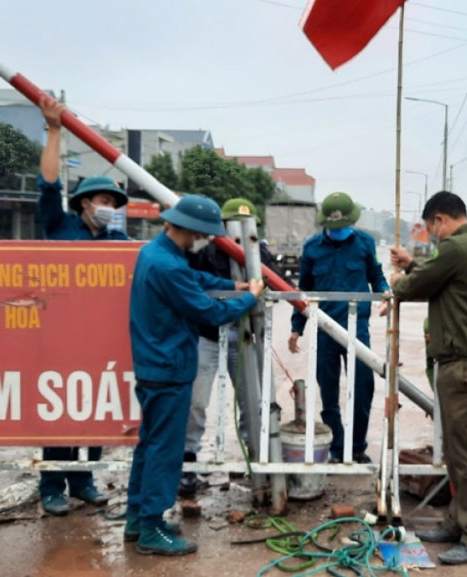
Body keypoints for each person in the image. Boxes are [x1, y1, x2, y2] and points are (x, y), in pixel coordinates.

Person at [127, 194, 263, 556]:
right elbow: (208, 312)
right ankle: (152, 529)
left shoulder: (154, 253)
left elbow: (191, 275)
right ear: (188, 228)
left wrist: (231, 285)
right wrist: (249, 298)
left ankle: (136, 519)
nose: (201, 240)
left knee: (149, 444)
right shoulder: (167, 266)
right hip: (168, 366)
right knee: (165, 450)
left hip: (152, 363)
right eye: (200, 234)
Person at [389, 191, 467, 566]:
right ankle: (457, 522)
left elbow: (412, 288)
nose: (433, 237)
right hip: (463, 364)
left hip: (466, 366)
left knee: (466, 455)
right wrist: (412, 265)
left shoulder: (456, 247)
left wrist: (399, 277)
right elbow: (438, 278)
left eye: (432, 228)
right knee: (455, 452)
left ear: (439, 220)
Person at [36, 96, 128, 516]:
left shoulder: (118, 244)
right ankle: (52, 484)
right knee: (58, 412)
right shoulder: (59, 227)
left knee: (94, 413)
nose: (108, 208)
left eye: (113, 202)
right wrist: (54, 130)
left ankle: (84, 479)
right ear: (85, 205)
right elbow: (50, 185)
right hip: (58, 338)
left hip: (100, 341)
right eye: (102, 201)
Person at [179, 198, 291, 497]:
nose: (239, 230)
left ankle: (253, 459)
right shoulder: (205, 252)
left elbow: (275, 282)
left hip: (245, 336)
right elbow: (193, 284)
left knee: (252, 400)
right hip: (208, 334)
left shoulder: (260, 252)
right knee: (196, 400)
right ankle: (187, 463)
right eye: (233, 225)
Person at [288, 192, 388, 464]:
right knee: (328, 392)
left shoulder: (365, 244)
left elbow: (376, 277)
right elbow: (303, 292)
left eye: (343, 226)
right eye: (334, 228)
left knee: (363, 389)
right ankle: (337, 447)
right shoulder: (311, 249)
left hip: (358, 331)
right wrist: (297, 328)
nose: (339, 232)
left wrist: (386, 293)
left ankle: (356, 447)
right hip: (325, 330)